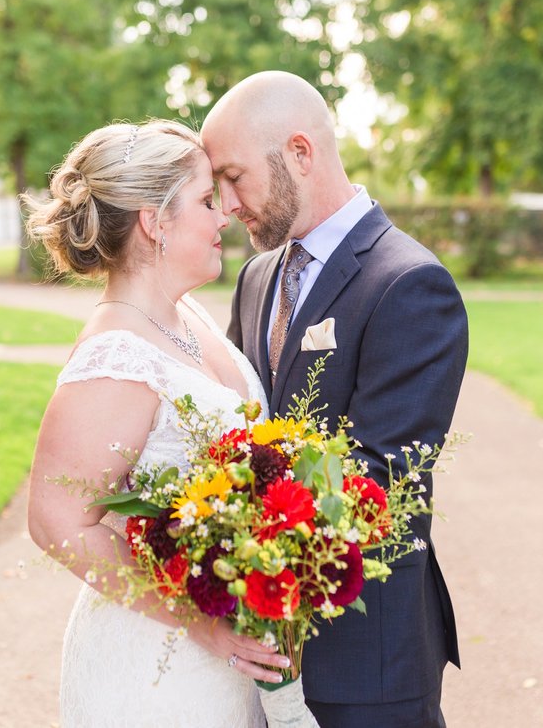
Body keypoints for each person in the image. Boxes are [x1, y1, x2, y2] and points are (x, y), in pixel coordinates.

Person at [202, 71, 468, 728]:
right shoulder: (257, 278)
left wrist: (245, 550)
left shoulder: (409, 283)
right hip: (258, 644)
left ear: (300, 152)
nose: (227, 205)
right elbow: (236, 429)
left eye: (234, 177)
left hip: (365, 655)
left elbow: (377, 480)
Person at [24, 120, 291, 726]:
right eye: (204, 200)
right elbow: (55, 520)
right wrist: (202, 625)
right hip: (154, 672)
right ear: (155, 221)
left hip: (227, 659)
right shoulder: (115, 354)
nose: (224, 213)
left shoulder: (185, 314)